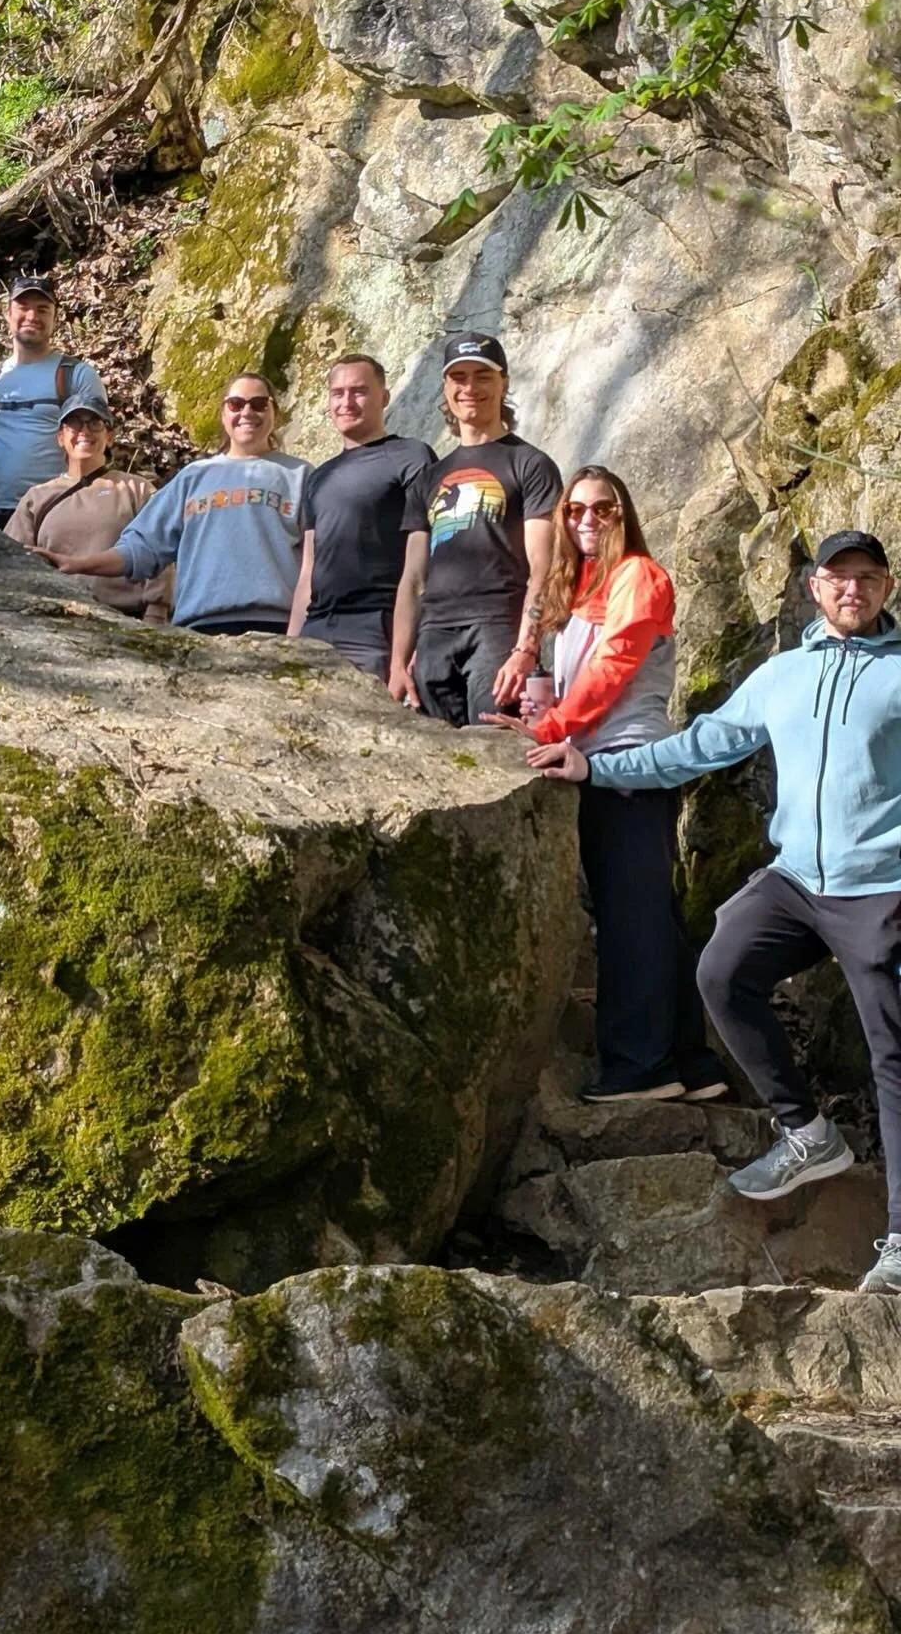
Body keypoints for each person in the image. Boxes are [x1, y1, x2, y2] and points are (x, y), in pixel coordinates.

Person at [533, 529, 901, 1294]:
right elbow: (701, 745)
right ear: (814, 588)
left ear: (887, 589)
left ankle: (899, 1241)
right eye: (839, 579)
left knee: (891, 1055)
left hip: (881, 888)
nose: (852, 591)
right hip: (796, 878)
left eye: (867, 579)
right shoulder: (783, 675)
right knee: (721, 971)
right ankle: (806, 1132)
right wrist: (595, 767)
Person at [481, 465, 726, 1104]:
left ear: (625, 515)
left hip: (629, 764)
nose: (587, 520)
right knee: (652, 914)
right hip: (592, 759)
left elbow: (616, 665)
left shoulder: (640, 576)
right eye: (575, 510)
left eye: (603, 510)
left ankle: (638, 1067)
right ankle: (690, 1062)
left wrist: (551, 726)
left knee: (629, 920)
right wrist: (541, 714)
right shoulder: (578, 585)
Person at [43, 372, 306, 635]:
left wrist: (298, 634)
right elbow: (141, 548)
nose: (247, 412)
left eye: (258, 404)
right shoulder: (194, 478)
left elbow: (318, 565)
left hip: (276, 625)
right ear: (223, 413)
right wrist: (76, 564)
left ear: (275, 411)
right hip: (200, 627)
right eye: (236, 404)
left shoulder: (301, 475)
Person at [388, 333, 562, 722]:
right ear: (446, 388)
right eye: (459, 377)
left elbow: (543, 567)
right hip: (435, 636)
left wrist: (526, 650)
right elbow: (412, 580)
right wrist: (399, 663)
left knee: (497, 746)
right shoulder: (428, 478)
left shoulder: (531, 465)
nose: (470, 388)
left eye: (482, 376)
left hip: (498, 627)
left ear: (504, 383)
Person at [287, 354, 435, 680]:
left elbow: (420, 559)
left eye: (359, 391)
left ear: (383, 397)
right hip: (317, 627)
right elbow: (308, 570)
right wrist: (289, 646)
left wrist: (404, 653)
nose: (347, 402)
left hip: (376, 626)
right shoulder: (319, 477)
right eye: (337, 393)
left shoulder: (411, 456)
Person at [0, 275, 107, 529]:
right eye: (23, 307)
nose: (32, 316)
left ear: (55, 317)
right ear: (8, 314)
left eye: (42, 309)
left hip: (51, 510)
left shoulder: (76, 376)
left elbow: (92, 452)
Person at [6, 394, 171, 622]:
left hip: (126, 616)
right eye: (74, 423)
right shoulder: (37, 498)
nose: (84, 430)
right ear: (60, 437)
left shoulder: (135, 489)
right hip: (54, 617)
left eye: (94, 423)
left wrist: (157, 611)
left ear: (110, 437)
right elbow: (14, 559)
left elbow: (161, 549)